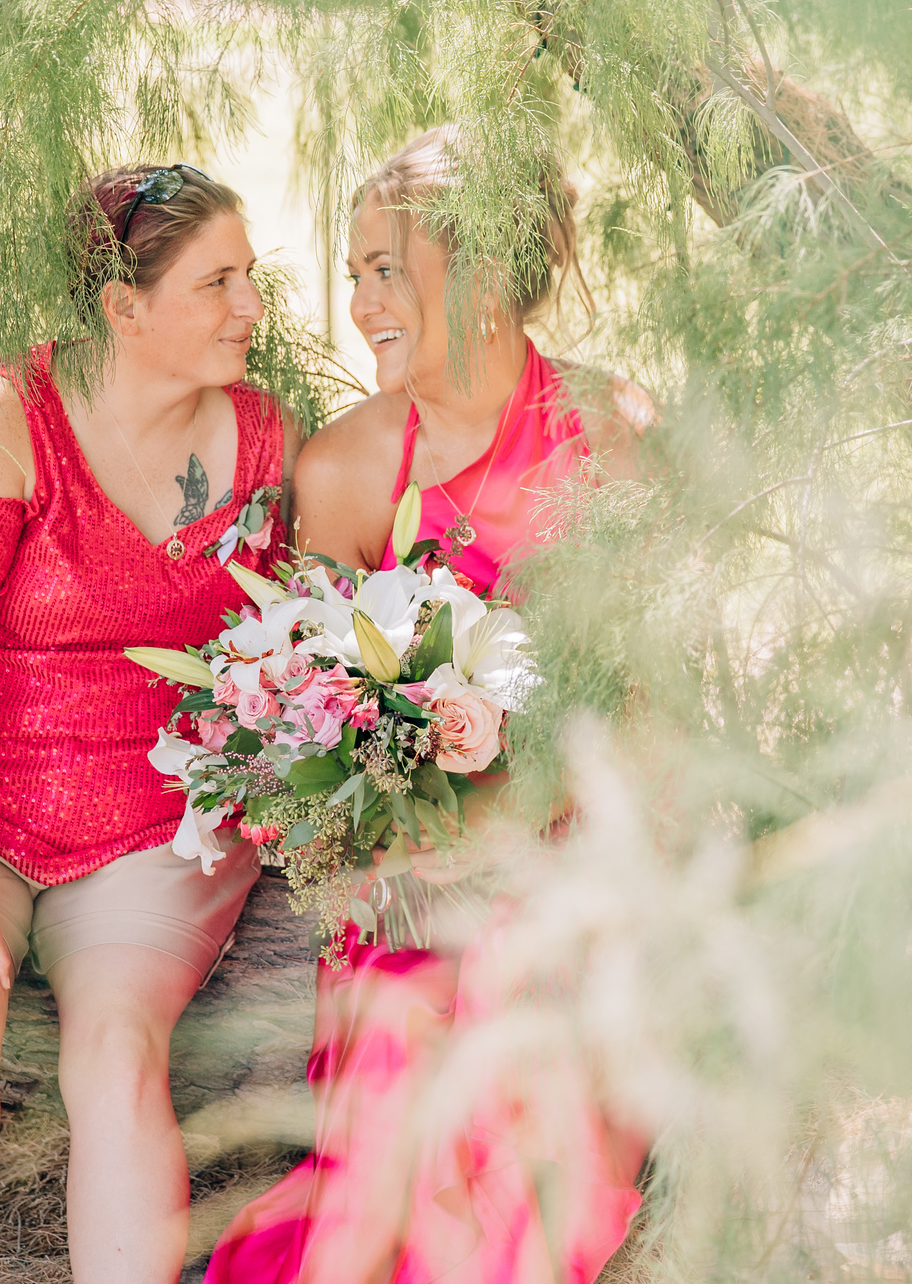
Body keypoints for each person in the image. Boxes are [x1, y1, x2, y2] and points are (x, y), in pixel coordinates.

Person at [0, 162, 298, 1284]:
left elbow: (285, 636)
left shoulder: (262, 438)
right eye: (217, 283)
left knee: (116, 1049)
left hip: (149, 815)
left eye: (251, 277)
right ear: (120, 307)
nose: (252, 310)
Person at [207, 125, 653, 1284]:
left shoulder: (608, 436)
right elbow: (316, 731)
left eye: (385, 268)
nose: (359, 304)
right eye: (351, 272)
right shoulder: (350, 468)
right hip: (411, 892)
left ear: (489, 271)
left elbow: (655, 700)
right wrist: (423, 840)